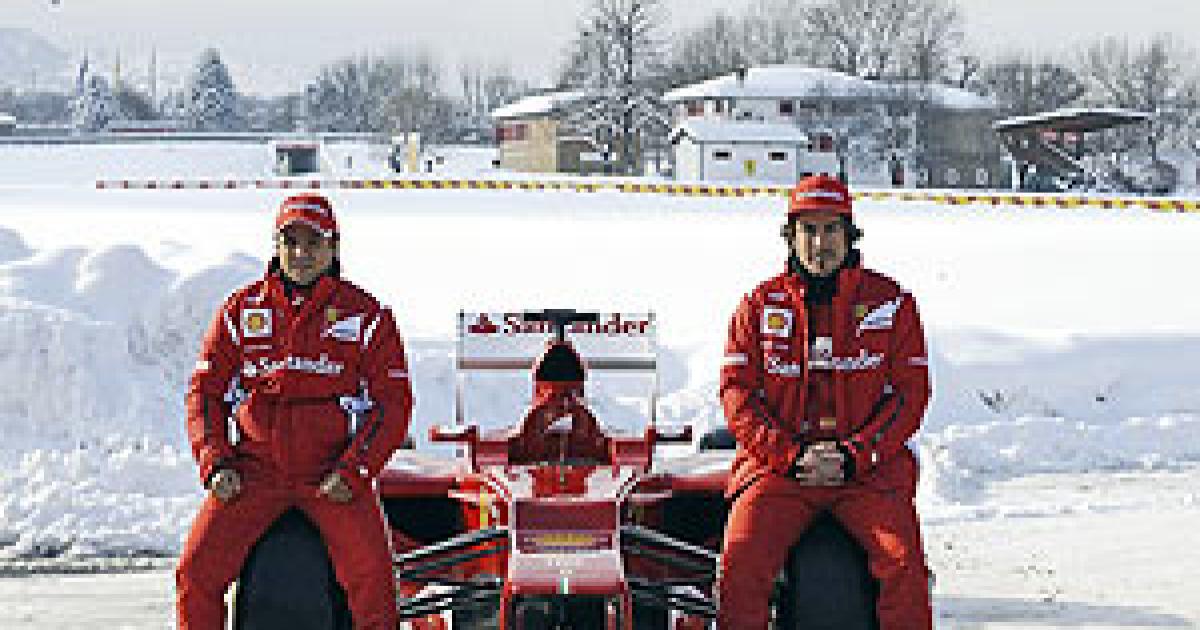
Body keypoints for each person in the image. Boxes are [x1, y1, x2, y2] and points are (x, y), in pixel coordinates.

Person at [176, 194, 414, 630]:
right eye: (291, 242)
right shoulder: (241, 311)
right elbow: (204, 393)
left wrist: (355, 471)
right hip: (254, 472)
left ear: (334, 247)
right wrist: (215, 462)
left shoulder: (368, 317)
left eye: (314, 243)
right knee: (195, 573)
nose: (301, 254)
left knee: (375, 586)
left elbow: (392, 405)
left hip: (332, 474)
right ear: (276, 246)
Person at [716, 175, 933, 629]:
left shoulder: (893, 304)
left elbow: (910, 396)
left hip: (867, 472)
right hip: (779, 471)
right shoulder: (758, 306)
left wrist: (856, 455)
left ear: (850, 234)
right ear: (790, 237)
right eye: (808, 230)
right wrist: (790, 455)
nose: (820, 244)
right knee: (740, 560)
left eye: (831, 229)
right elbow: (737, 396)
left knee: (904, 563)